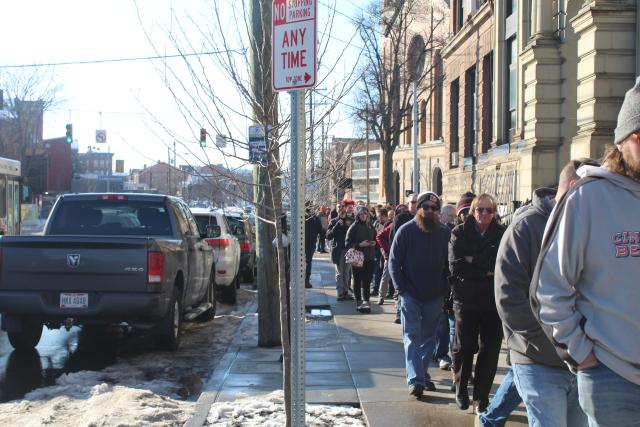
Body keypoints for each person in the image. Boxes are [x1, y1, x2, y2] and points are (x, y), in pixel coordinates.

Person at [531, 78, 640, 427]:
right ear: (624, 141)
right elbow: (549, 288)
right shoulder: (588, 199)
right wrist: (583, 355)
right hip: (612, 377)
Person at [492, 163, 593, 427]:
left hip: (584, 361)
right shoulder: (524, 228)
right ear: (574, 188)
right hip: (538, 359)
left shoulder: (591, 224)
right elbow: (509, 299)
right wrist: (559, 343)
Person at [389, 191, 451, 398]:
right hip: (411, 295)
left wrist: (445, 289)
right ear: (418, 208)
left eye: (435, 208)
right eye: (426, 207)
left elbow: (450, 265)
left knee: (428, 339)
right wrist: (402, 290)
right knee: (412, 336)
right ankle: (415, 380)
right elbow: (394, 263)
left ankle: (422, 374)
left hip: (435, 296)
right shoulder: (405, 231)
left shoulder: (444, 233)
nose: (430, 211)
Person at [449, 194, 505, 413]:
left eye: (489, 210)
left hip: (492, 300)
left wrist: (475, 263)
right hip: (465, 299)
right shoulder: (459, 232)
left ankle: (481, 397)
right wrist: (486, 270)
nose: (484, 214)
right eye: (480, 210)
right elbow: (457, 266)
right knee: (465, 347)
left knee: (490, 350)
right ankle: (461, 389)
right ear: (472, 211)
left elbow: (502, 264)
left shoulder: (501, 233)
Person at [432, 204, 456, 371]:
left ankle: (454, 356)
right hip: (440, 284)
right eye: (450, 215)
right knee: (442, 324)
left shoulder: (456, 231)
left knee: (452, 325)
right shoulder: (438, 232)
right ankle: (441, 354)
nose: (452, 218)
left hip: (453, 284)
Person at [345, 205, 377, 312]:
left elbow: (375, 237)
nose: (364, 215)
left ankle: (366, 302)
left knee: (367, 281)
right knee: (358, 281)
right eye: (362, 213)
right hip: (358, 258)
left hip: (369, 257)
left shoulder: (370, 225)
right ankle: (358, 302)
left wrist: (374, 243)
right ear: (358, 214)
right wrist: (359, 245)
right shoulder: (354, 226)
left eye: (365, 213)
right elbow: (347, 243)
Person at [326, 201, 355, 301]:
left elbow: (354, 234)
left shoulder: (351, 220)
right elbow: (328, 236)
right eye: (339, 207)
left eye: (343, 206)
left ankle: (346, 292)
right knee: (339, 273)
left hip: (348, 250)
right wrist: (337, 225)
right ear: (337, 209)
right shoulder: (334, 221)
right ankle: (340, 292)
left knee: (347, 273)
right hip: (338, 251)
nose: (341, 208)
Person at [371, 208, 389, 297]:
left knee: (384, 271)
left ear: (385, 216)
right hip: (377, 250)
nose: (379, 219)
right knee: (377, 270)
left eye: (380, 217)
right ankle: (375, 288)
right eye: (378, 217)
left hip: (385, 250)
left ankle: (386, 291)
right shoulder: (376, 224)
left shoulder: (389, 224)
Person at [304, 202, 322, 288]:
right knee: (308, 261)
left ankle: (304, 280)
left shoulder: (302, 216)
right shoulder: (315, 217)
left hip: (305, 241)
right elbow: (320, 230)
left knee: (303, 261)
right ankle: (306, 280)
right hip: (311, 242)